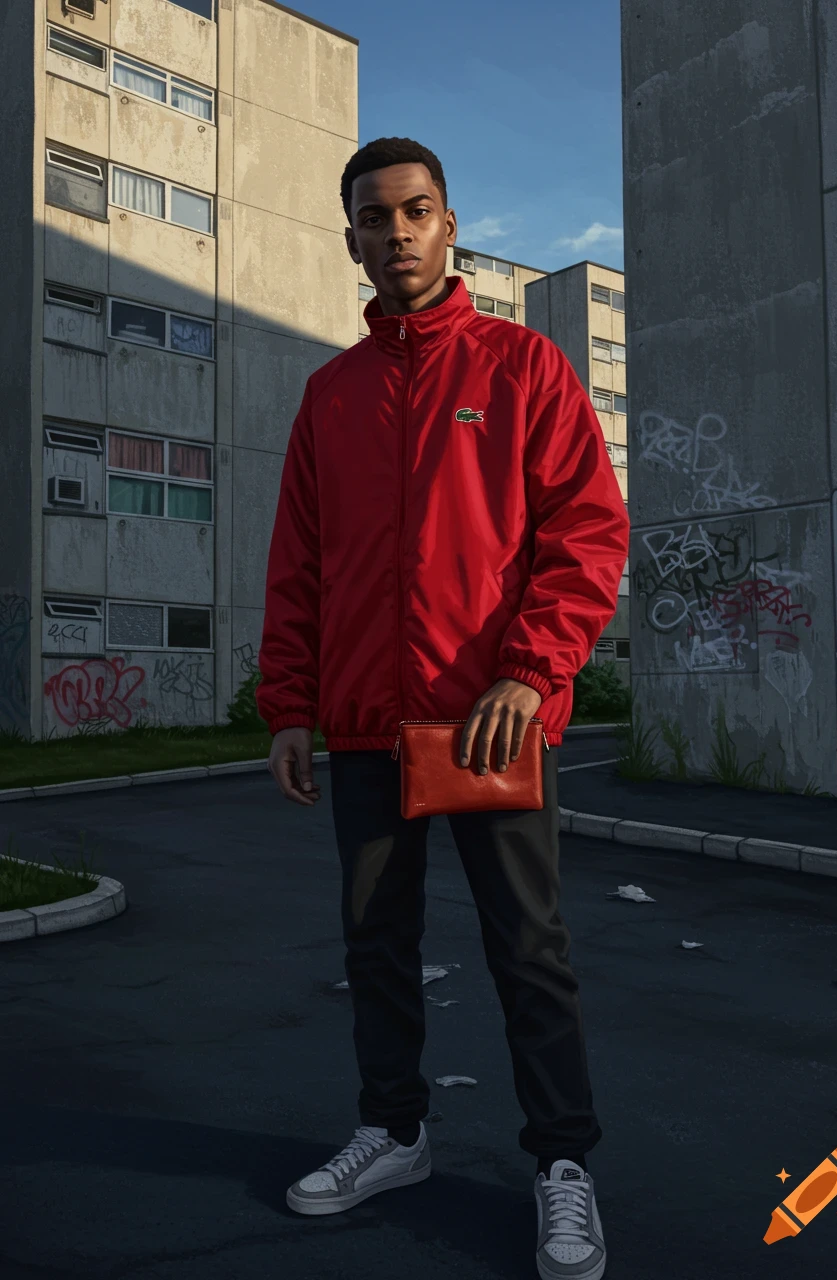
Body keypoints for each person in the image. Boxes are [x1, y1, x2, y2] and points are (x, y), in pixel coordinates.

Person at [255, 136, 629, 1280]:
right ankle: (395, 1131)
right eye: (375, 218)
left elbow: (584, 534)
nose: (397, 232)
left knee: (528, 950)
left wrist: (529, 669)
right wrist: (287, 701)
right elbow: (299, 564)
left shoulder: (522, 368)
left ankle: (562, 1168)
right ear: (355, 238)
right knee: (378, 945)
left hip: (489, 722)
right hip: (366, 721)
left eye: (416, 211)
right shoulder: (330, 397)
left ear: (449, 223)